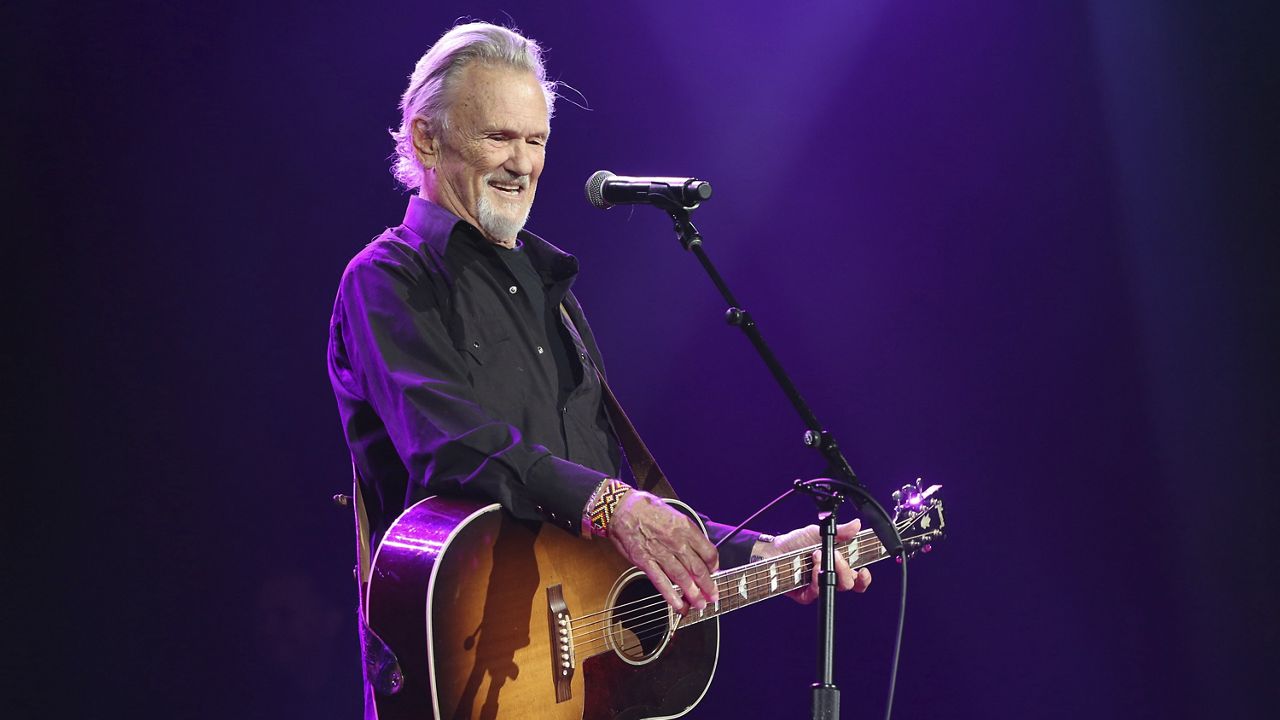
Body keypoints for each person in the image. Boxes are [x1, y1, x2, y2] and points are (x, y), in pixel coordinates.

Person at [327, 20, 871, 711]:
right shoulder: (387, 280)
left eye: (536, 141)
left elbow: (614, 498)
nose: (521, 164)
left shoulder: (555, 299)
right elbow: (450, 443)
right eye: (498, 137)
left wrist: (762, 553)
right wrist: (612, 506)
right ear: (426, 139)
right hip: (466, 673)